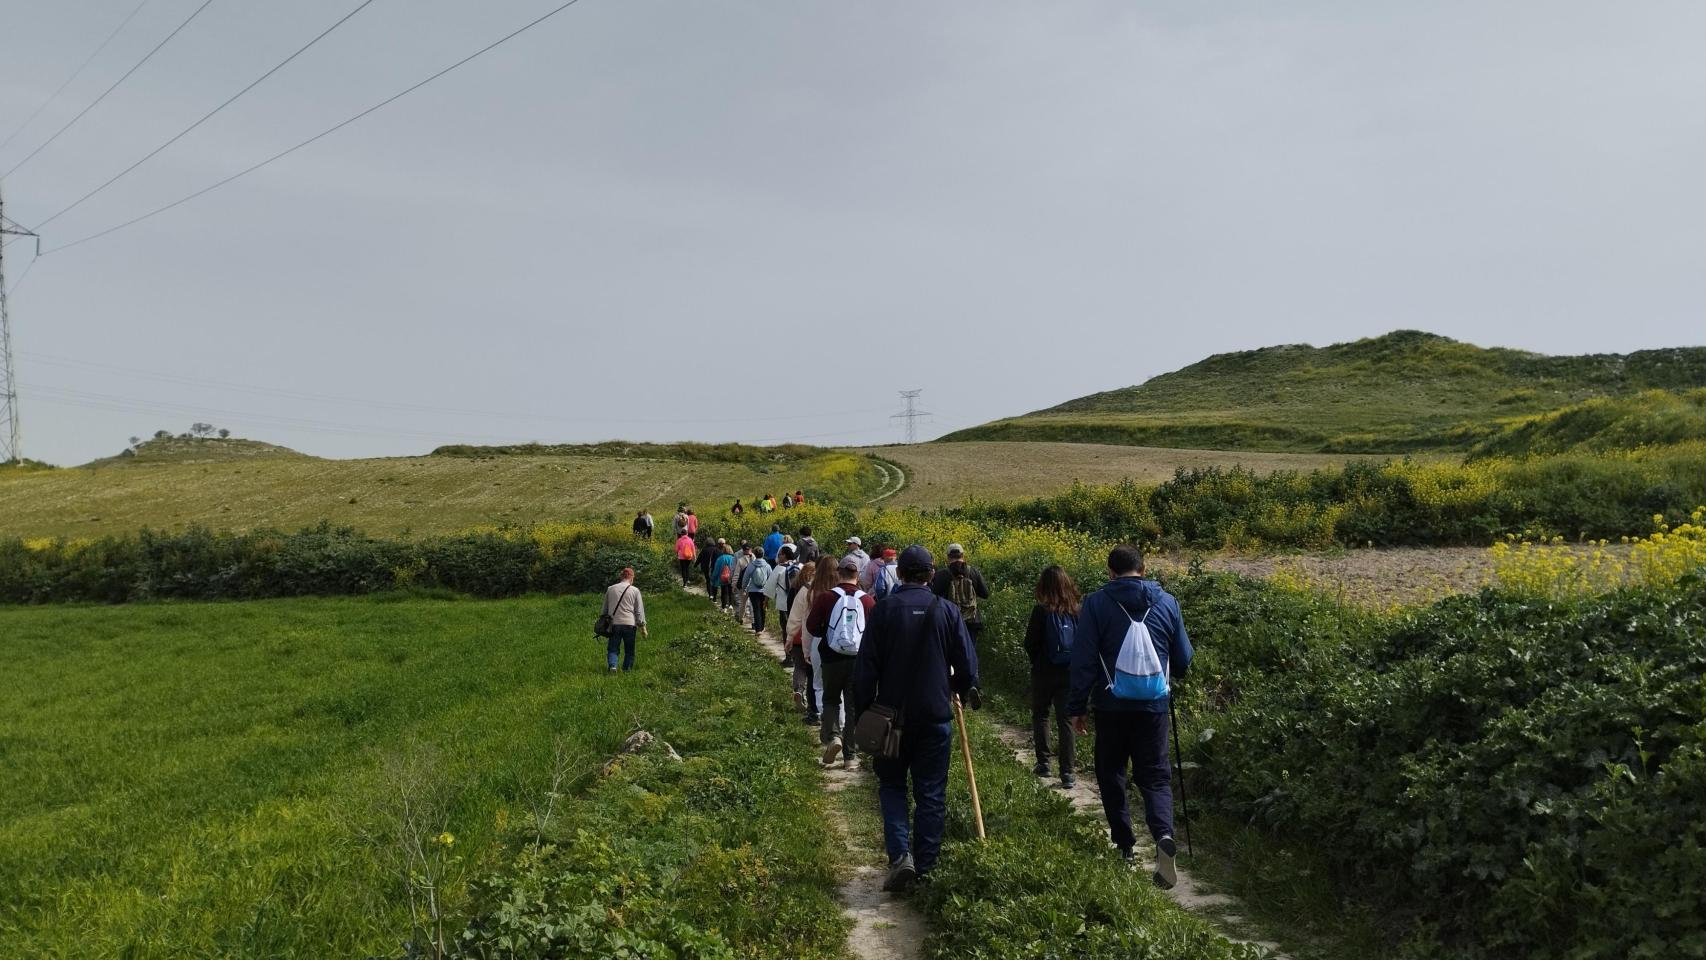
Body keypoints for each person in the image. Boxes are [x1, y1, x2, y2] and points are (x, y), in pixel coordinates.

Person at [853, 545, 981, 892]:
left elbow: (866, 669)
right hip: (934, 715)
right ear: (931, 573)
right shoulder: (947, 610)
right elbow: (968, 667)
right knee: (931, 791)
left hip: (890, 717)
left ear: (901, 574)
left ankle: (900, 858)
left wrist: (864, 709)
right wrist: (952, 687)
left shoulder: (884, 611)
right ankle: (926, 865)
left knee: (892, 785)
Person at [1068, 544, 1193, 890]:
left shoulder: (1096, 604)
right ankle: (1163, 834)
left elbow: (1083, 659)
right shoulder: (1167, 602)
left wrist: (1077, 707)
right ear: (1144, 568)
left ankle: (1124, 844)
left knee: (1111, 772)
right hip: (1154, 707)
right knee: (1155, 776)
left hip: (1111, 706)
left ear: (1109, 572)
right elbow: (1183, 660)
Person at [807, 556, 877, 770]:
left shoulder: (826, 597)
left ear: (839, 573)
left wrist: (827, 637)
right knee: (852, 705)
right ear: (857, 575)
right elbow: (874, 633)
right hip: (857, 660)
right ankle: (850, 757)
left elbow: (811, 626)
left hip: (831, 658)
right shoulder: (867, 601)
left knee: (830, 699)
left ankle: (833, 737)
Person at [1023, 565, 1081, 788]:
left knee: (1041, 715)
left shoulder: (1041, 610)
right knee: (1066, 720)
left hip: (1043, 671)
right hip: (1069, 673)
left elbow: (1030, 642)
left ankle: (1044, 763)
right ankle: (1067, 773)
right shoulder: (1077, 609)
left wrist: (1037, 661)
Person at [783, 559, 821, 723]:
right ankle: (816, 706)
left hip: (798, 632)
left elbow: (792, 612)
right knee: (813, 672)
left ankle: (799, 690)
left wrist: (789, 637)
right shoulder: (822, 590)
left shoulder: (797, 588)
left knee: (799, 666)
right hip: (812, 634)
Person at [930, 544, 991, 640]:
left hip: (950, 621)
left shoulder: (942, 574)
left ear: (948, 557)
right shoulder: (973, 572)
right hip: (972, 621)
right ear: (963, 555)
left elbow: (931, 596)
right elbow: (985, 594)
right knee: (969, 653)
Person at [601, 568, 648, 672]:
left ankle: (613, 666)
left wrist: (604, 622)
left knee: (613, 648)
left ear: (621, 576)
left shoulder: (610, 589)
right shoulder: (635, 590)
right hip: (630, 625)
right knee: (629, 650)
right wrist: (643, 626)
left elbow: (604, 610)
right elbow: (639, 611)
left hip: (614, 624)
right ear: (631, 578)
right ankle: (626, 670)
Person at [741, 548, 773, 634]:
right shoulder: (767, 566)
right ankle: (762, 627)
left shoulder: (751, 565)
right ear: (763, 554)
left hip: (753, 590)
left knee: (756, 608)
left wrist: (743, 588)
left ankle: (758, 629)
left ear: (755, 554)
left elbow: (746, 578)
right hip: (764, 590)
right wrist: (771, 591)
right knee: (763, 608)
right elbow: (771, 579)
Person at [730, 544, 754, 624]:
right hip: (754, 585)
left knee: (742, 602)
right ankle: (753, 621)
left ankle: (741, 618)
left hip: (743, 585)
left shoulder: (740, 560)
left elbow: (736, 574)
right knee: (752, 603)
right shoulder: (755, 559)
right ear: (751, 549)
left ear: (743, 551)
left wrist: (733, 585)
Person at [712, 543, 738, 613]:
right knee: (731, 591)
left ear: (723, 550)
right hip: (731, 577)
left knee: (724, 592)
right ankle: (731, 605)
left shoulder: (720, 558)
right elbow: (736, 569)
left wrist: (713, 578)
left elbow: (716, 570)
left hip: (722, 578)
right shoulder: (733, 559)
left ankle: (724, 607)